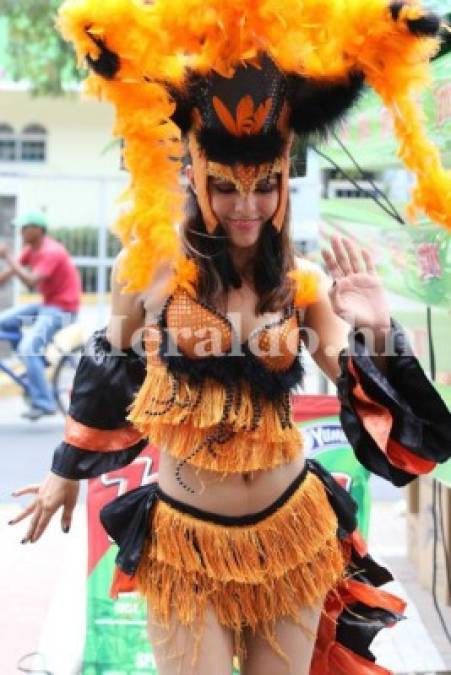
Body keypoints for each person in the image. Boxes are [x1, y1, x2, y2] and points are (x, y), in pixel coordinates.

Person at [10, 1, 451, 674]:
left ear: (282, 182)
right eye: (226, 186)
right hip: (186, 541)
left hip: (292, 530)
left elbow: (366, 397)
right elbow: (107, 371)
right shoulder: (155, 272)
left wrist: (379, 329)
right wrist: (61, 475)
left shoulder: (301, 283)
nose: (247, 204)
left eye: (264, 186)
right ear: (195, 176)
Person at [0, 211, 81, 420]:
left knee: (28, 347)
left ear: (38, 230)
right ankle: (33, 360)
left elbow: (29, 281)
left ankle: (44, 402)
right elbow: (7, 275)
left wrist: (8, 256)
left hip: (63, 309)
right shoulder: (31, 250)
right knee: (3, 323)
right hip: (47, 305)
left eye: (24, 228)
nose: (20, 232)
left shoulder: (51, 252)